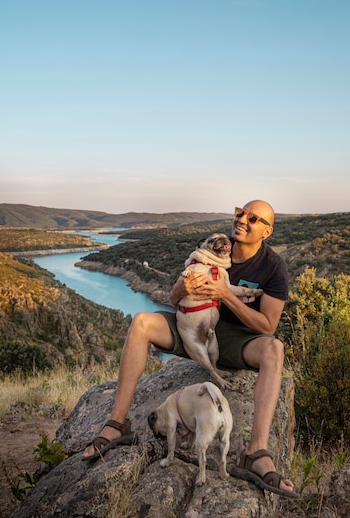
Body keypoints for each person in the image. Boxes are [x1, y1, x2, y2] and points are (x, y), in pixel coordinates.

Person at [82, 199, 298, 498]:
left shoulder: (273, 266)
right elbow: (173, 298)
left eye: (253, 218)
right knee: (142, 322)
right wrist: (185, 287)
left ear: (267, 232)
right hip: (191, 325)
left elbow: (267, 325)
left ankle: (255, 452)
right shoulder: (212, 248)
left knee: (273, 349)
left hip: (236, 339)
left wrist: (225, 294)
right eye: (240, 213)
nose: (243, 220)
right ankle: (118, 423)